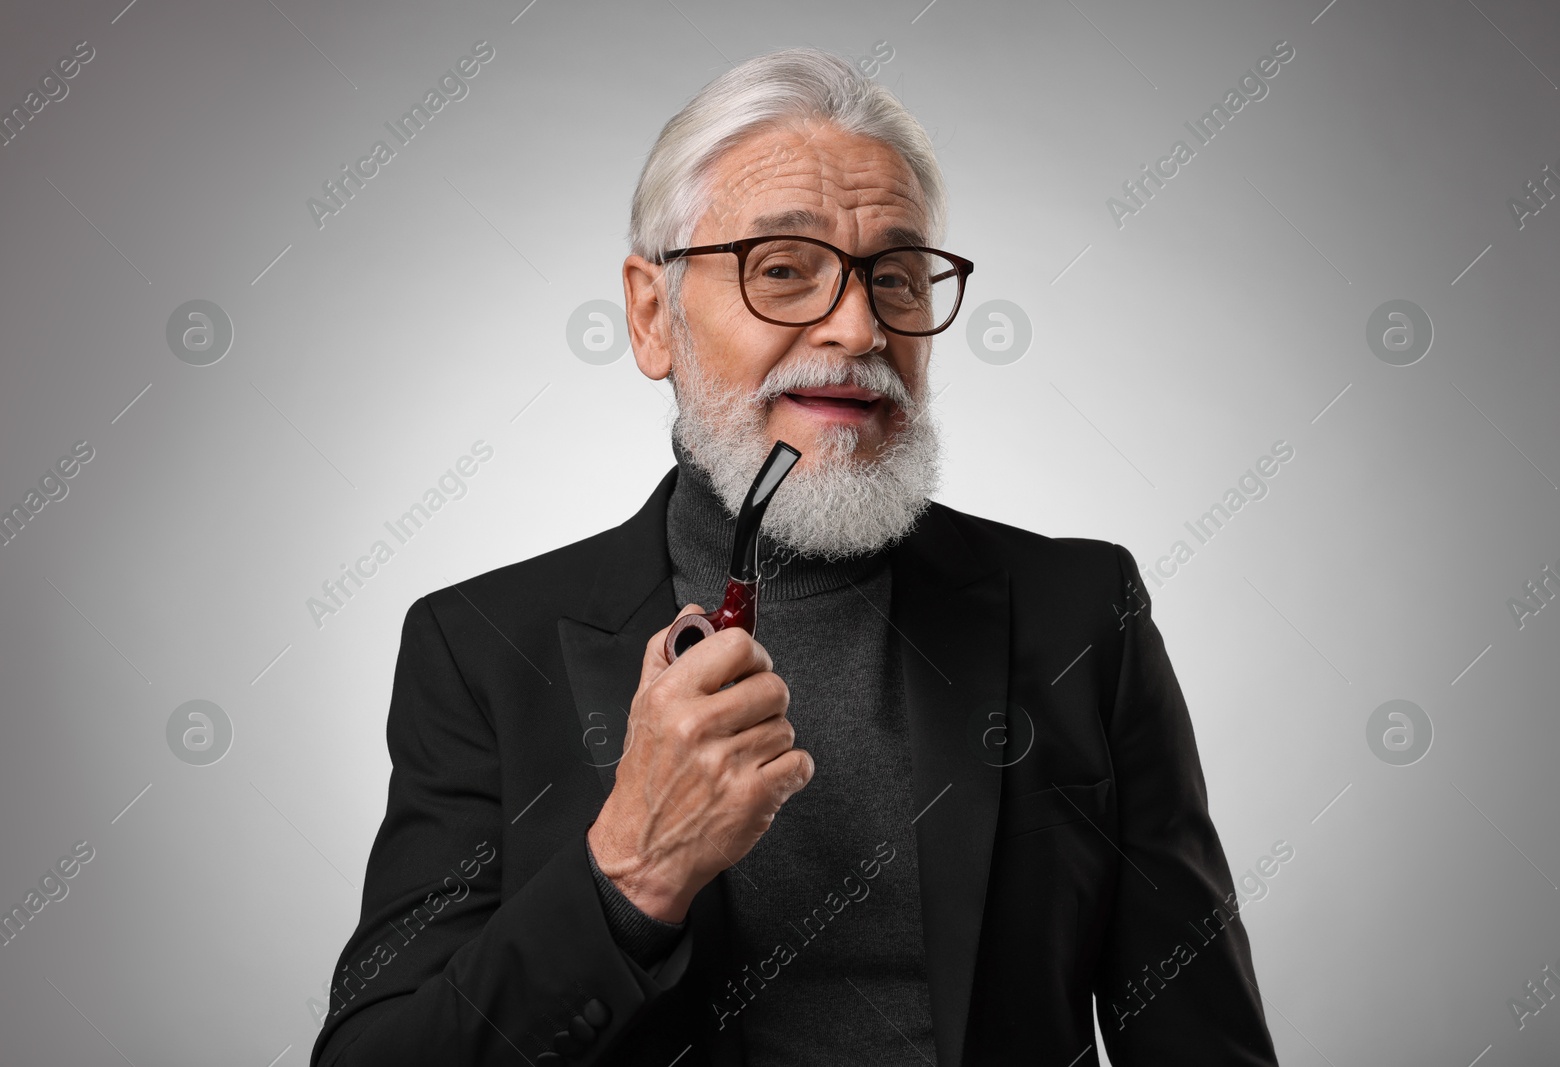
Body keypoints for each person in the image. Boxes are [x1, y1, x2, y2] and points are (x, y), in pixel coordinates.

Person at [310, 45, 1279, 1067]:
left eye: (897, 276)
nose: (859, 325)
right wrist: (631, 868)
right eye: (782, 269)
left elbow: (1200, 1039)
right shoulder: (481, 651)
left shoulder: (1077, 614)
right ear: (653, 315)